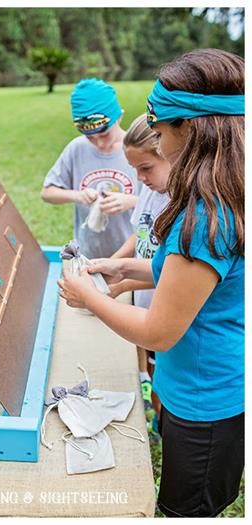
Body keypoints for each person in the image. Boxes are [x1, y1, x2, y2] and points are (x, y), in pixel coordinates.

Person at [58, 49, 244, 517]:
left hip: (207, 407)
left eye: (159, 134)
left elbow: (159, 332)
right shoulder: (218, 196)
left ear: (190, 129)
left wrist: (87, 297)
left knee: (185, 511)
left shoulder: (204, 219)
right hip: (198, 388)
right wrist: (123, 269)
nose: (158, 146)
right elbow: (193, 281)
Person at [108, 114, 170, 436]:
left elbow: (167, 273)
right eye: (134, 169)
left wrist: (121, 282)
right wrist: (112, 261)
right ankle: (151, 401)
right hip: (143, 300)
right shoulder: (149, 190)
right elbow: (138, 234)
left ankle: (163, 426)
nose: (140, 177)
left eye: (146, 168)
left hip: (166, 309)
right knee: (148, 362)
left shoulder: (178, 202)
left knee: (164, 377)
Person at [41, 78, 139, 259]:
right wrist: (78, 195)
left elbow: (162, 203)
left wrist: (132, 201)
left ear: (119, 116)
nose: (99, 142)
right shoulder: (77, 148)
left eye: (104, 134)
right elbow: (47, 192)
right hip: (89, 256)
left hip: (131, 259)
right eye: (90, 137)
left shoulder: (137, 150)